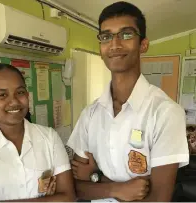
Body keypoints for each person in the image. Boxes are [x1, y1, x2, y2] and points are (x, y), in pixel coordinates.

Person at [67, 1, 189, 202]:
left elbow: (159, 199)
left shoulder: (165, 113)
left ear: (143, 44)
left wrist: (95, 178)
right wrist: (118, 189)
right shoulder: (91, 114)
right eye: (106, 36)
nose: (115, 44)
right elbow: (74, 188)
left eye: (126, 34)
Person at [0, 63, 76, 202]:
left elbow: (68, 198)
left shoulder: (49, 137)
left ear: (27, 95)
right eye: (2, 95)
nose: (14, 101)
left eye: (20, 92)